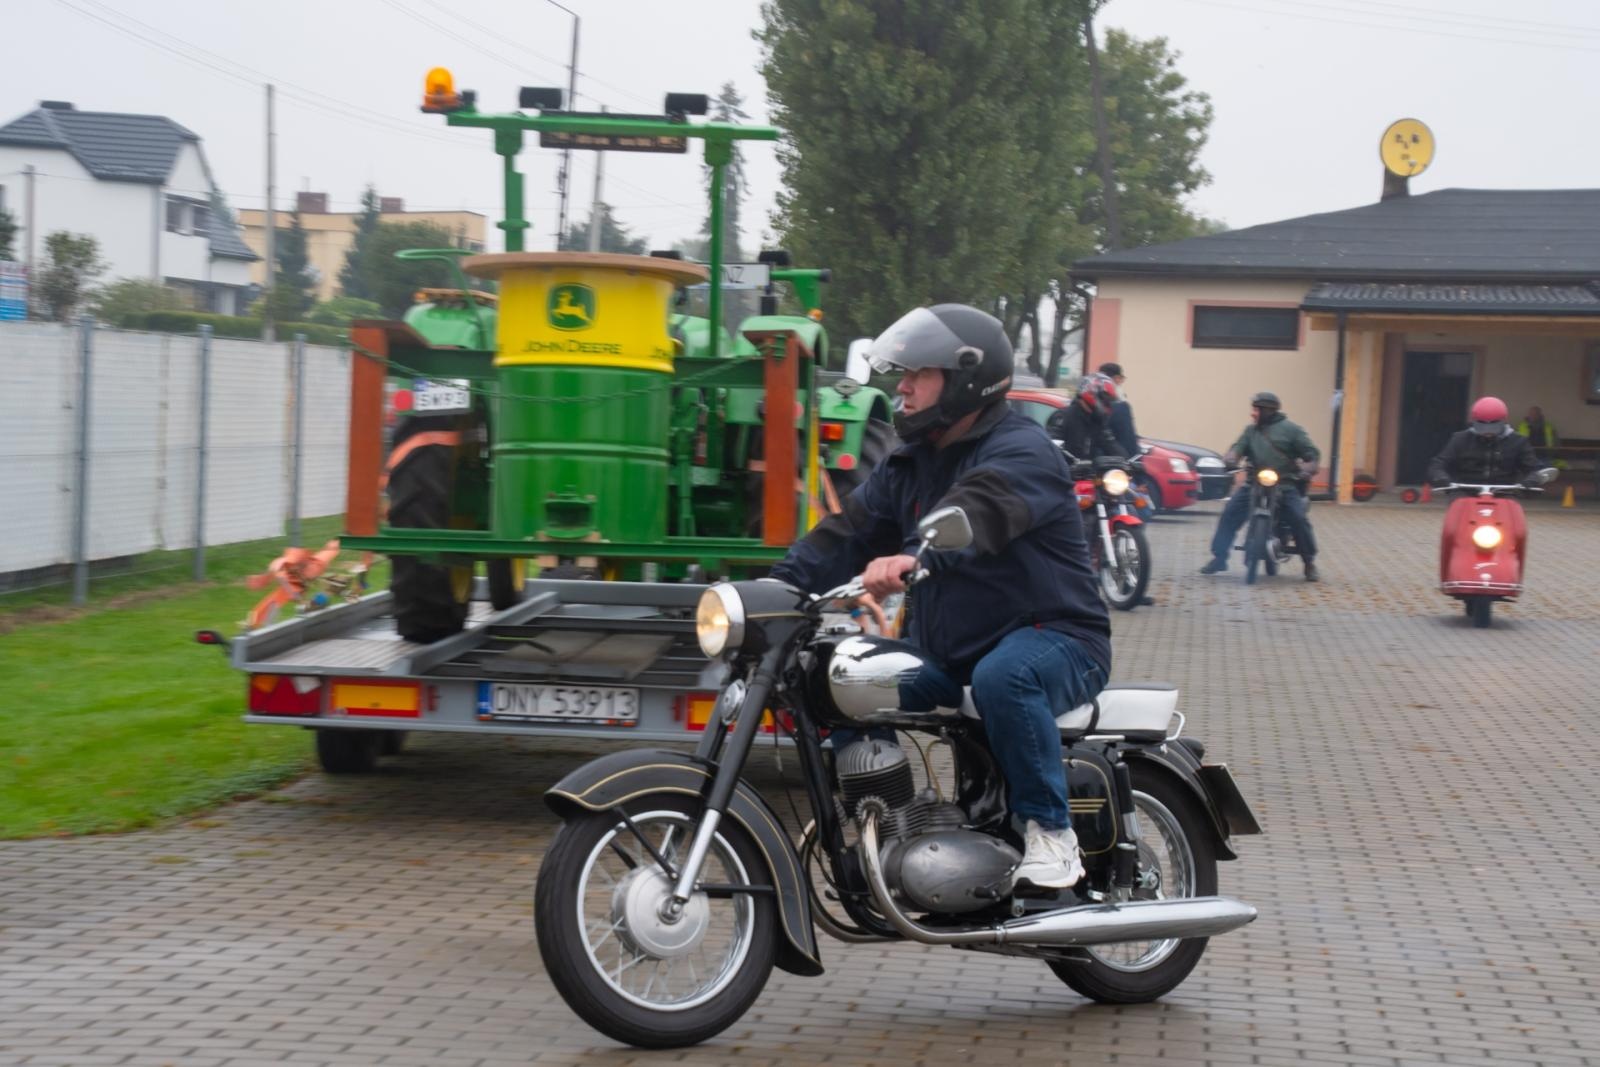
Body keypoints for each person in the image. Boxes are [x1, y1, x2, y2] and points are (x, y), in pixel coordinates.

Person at [770, 303, 1111, 890]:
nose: (902, 387)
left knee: (1008, 678)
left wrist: (916, 557)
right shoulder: (910, 463)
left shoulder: (1023, 450)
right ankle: (885, 827)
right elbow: (846, 533)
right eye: (903, 373)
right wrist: (775, 588)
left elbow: (977, 510)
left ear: (966, 381)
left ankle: (1053, 834)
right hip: (953, 652)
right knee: (845, 677)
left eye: (919, 374)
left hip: (1057, 639)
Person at [1199, 391, 1322, 581]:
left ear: (1268, 410)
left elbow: (1311, 454)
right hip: (1254, 482)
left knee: (1298, 517)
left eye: (1256, 410)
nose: (1253, 413)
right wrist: (1230, 459)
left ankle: (1308, 562)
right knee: (1229, 513)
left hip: (1284, 484)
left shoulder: (1292, 430)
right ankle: (1219, 557)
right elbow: (1237, 448)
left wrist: (1308, 467)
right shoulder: (1251, 431)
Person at [1428, 396, 1544, 488]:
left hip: (1505, 493)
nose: (1488, 431)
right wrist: (1440, 477)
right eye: (1482, 425)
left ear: (1504, 421)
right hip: (1464, 492)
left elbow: (1534, 468)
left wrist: (1533, 479)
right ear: (1474, 421)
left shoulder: (1518, 441)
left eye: (1494, 425)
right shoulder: (1460, 439)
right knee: (1456, 511)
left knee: (1515, 511)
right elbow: (1438, 464)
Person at [1045, 372, 1126, 463]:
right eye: (1106, 400)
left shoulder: (1097, 421)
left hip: (1088, 471)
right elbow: (1050, 449)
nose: (1107, 405)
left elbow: (1111, 444)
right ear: (1091, 393)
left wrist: (1126, 462)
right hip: (1065, 470)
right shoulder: (1063, 417)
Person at [1099, 362, 1141, 457]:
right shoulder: (1120, 407)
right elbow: (1128, 442)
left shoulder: (1087, 403)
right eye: (1120, 379)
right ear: (1116, 379)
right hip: (1115, 460)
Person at [1516, 405, 1564, 470]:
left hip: (1545, 456)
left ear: (1540, 415)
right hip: (1527, 456)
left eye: (1535, 414)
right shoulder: (1522, 426)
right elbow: (1516, 442)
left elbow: (1556, 442)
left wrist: (1551, 453)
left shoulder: (1548, 426)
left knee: (1547, 473)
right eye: (1531, 414)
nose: (1533, 416)